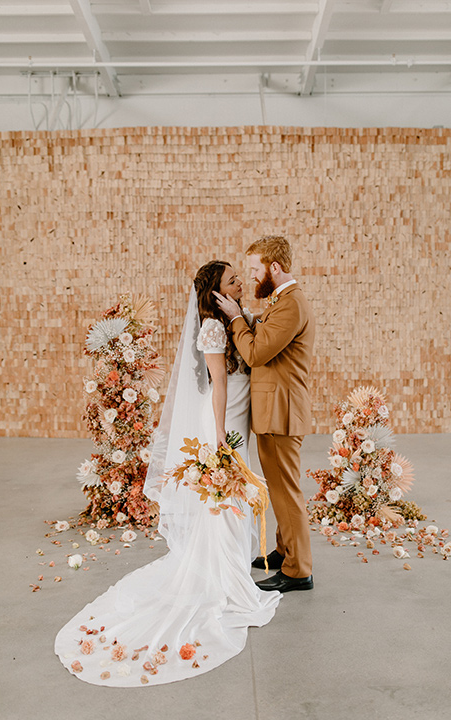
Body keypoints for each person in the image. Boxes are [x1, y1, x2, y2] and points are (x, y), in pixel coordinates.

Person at [54, 260, 280, 687]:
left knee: (232, 492)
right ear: (214, 291)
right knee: (225, 491)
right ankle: (225, 573)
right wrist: (219, 436)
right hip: (224, 418)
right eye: (232, 278)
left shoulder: (237, 320)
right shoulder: (213, 329)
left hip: (238, 416)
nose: (239, 282)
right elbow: (218, 384)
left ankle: (231, 561)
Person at [214, 236, 315, 593]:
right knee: (280, 488)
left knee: (286, 492)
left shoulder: (290, 304)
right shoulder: (282, 301)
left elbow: (257, 354)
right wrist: (249, 318)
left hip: (281, 412)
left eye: (256, 269)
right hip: (275, 409)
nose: (252, 277)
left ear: (274, 267)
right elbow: (268, 333)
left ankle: (298, 570)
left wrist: (236, 319)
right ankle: (284, 552)